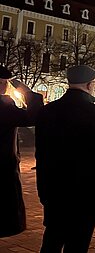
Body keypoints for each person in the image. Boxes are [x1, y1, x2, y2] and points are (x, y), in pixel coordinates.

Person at [35, 65, 95, 252]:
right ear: (89, 84)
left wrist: (43, 191)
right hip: (85, 193)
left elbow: (41, 154)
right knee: (78, 245)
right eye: (94, 84)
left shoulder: (47, 112)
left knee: (52, 241)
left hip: (54, 189)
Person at [0, 65, 43, 238]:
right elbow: (33, 116)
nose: (5, 86)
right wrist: (26, 91)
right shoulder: (4, 106)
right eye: (3, 82)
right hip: (2, 168)